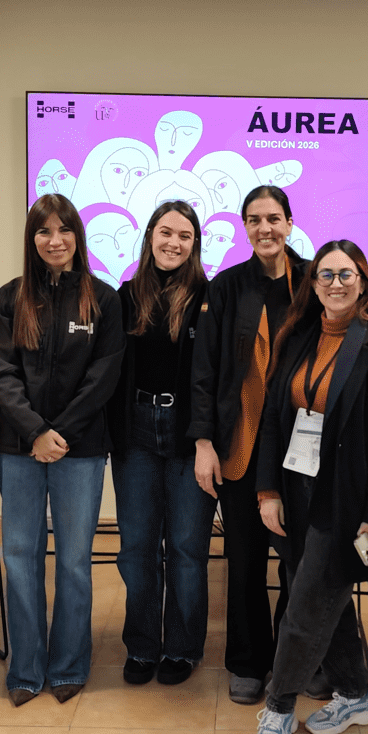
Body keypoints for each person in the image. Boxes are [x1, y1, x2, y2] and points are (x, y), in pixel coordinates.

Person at [251, 240, 368, 734]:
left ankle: (278, 707)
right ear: (312, 284)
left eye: (346, 274)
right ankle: (359, 695)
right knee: (324, 598)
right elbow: (275, 418)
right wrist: (268, 489)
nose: (335, 283)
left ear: (362, 280)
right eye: (325, 275)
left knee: (304, 604)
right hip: (296, 488)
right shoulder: (297, 336)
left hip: (345, 498)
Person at [0, 193, 123, 706]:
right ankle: (26, 669)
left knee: (72, 561)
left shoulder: (104, 300)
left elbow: (103, 376)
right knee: (21, 556)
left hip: (81, 450)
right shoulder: (9, 297)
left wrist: (59, 432)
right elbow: (1, 373)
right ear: (32, 239)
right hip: (18, 449)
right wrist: (33, 432)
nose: (54, 240)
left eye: (64, 229)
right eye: (44, 231)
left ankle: (68, 665)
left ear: (77, 237)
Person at [188, 185, 308, 705]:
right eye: (255, 220)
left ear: (289, 222)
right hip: (241, 446)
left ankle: (296, 659)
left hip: (304, 453)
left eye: (274, 218)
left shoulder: (314, 281)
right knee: (245, 563)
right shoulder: (227, 286)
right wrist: (203, 442)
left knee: (300, 564)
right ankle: (247, 662)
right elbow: (204, 373)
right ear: (244, 226)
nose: (266, 229)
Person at [107, 201, 214, 687]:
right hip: (136, 430)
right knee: (137, 548)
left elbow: (214, 376)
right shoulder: (124, 296)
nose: (174, 242)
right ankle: (144, 646)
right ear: (150, 235)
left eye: (185, 236)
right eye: (165, 232)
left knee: (188, 548)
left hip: (189, 431)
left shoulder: (210, 299)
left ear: (196, 245)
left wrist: (207, 437)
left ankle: (183, 648)